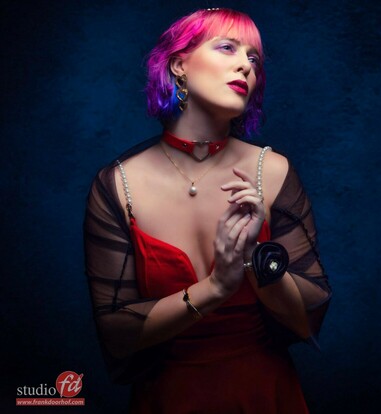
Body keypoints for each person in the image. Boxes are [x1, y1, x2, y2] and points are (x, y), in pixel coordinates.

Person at [84, 8, 331, 413]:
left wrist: (253, 258)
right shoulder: (118, 184)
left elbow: (306, 321)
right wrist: (216, 287)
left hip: (265, 395)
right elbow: (117, 334)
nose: (246, 66)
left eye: (254, 58)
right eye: (228, 48)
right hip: (167, 398)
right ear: (179, 65)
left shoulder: (272, 170)